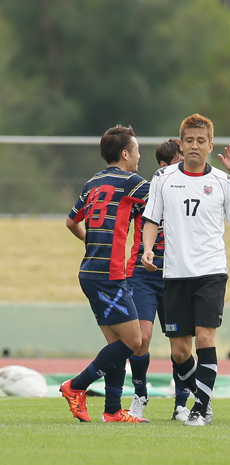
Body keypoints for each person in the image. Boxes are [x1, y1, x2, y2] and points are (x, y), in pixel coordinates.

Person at [141, 113, 230, 427]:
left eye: (201, 141)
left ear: (210, 145)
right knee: (180, 351)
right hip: (174, 274)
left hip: (211, 272)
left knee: (204, 337)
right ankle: (203, 393)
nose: (195, 146)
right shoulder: (164, 178)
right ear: (181, 144)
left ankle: (201, 408)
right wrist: (146, 248)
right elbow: (151, 220)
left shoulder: (223, 182)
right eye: (189, 141)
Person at [61, 124, 150, 423]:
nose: (140, 156)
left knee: (117, 345)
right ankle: (76, 386)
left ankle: (112, 410)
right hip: (107, 275)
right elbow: (160, 202)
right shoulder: (132, 182)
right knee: (133, 341)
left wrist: (94, 239)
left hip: (90, 271)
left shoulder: (92, 182)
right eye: (137, 151)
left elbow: (71, 222)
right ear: (125, 154)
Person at [125, 139, 189, 420]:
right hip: (144, 274)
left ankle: (181, 404)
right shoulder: (145, 193)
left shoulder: (190, 192)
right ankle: (140, 395)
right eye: (178, 161)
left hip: (176, 274)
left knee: (181, 348)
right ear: (163, 166)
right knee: (141, 339)